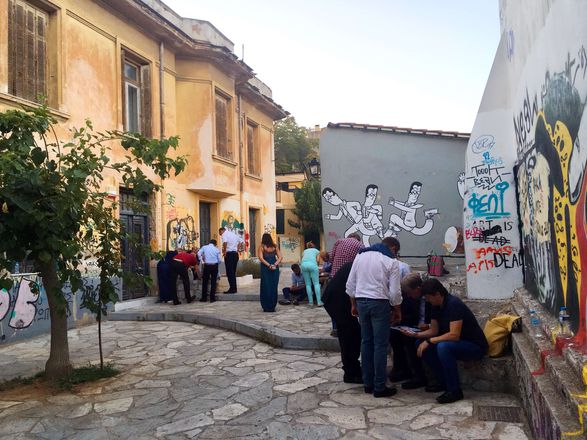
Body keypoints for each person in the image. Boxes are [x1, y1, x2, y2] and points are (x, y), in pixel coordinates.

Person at [402, 278, 489, 404]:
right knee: (420, 344)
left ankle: (454, 390)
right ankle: (442, 381)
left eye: (428, 297)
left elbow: (454, 335)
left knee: (443, 347)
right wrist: (415, 334)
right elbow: (434, 331)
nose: (427, 300)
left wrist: (430, 341)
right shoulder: (436, 306)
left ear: (437, 294)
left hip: (473, 345)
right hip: (456, 343)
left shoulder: (454, 304)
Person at [346, 237, 402, 398]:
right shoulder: (391, 261)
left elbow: (351, 285)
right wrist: (397, 310)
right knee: (380, 345)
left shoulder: (360, 255)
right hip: (379, 303)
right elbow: (395, 293)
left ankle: (368, 383)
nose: (396, 255)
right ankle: (379, 386)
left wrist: (353, 305)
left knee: (366, 342)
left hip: (361, 302)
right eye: (396, 251)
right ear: (392, 248)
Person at [390, 273, 431, 389]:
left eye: (410, 293)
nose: (409, 295)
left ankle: (419, 375)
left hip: (428, 328)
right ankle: (402, 369)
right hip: (415, 326)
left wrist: (426, 325)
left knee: (411, 342)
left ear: (418, 289)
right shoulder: (411, 298)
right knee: (395, 335)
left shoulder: (429, 296)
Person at [323, 261, 362, 384]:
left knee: (351, 336)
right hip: (339, 301)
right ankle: (351, 373)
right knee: (349, 337)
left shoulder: (361, 261)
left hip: (336, 298)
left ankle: (353, 369)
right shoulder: (365, 264)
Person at [329, 233, 364, 337]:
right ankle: (352, 328)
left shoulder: (339, 241)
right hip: (349, 280)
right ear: (358, 239)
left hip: (335, 279)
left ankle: (335, 328)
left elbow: (331, 258)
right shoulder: (360, 245)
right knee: (350, 306)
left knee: (335, 306)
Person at [258, 233, 282, 312]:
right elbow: (280, 257)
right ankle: (272, 306)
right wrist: (275, 264)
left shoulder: (261, 247)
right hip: (275, 268)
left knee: (266, 286)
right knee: (273, 286)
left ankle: (266, 306)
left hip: (266, 268)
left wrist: (269, 265)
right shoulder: (275, 246)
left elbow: (261, 258)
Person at [220, 227, 243, 294]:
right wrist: (237, 249)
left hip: (229, 254)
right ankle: (234, 288)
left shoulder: (224, 234)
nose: (221, 235)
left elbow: (225, 243)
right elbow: (241, 241)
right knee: (233, 272)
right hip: (235, 254)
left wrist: (224, 252)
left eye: (220, 233)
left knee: (229, 273)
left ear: (222, 231)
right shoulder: (233, 234)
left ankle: (232, 289)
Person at [197, 239, 222, 303]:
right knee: (213, 282)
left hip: (207, 266)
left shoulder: (204, 247)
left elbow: (198, 253)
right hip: (214, 266)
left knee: (205, 282)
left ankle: (204, 298)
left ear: (209, 243)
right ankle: (212, 298)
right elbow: (219, 260)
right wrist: (217, 263)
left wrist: (202, 261)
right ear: (215, 244)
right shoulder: (216, 249)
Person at [300, 241, 322, 306]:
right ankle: (319, 302)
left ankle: (310, 302)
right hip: (312, 265)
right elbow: (318, 260)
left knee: (308, 284)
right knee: (316, 283)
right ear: (314, 246)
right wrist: (316, 266)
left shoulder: (304, 251)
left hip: (303, 265)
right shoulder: (317, 251)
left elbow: (302, 259)